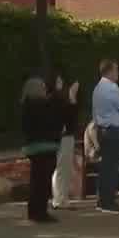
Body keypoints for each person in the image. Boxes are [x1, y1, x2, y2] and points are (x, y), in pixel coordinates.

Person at [91, 59, 119, 213]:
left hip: (103, 129)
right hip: (114, 130)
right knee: (113, 167)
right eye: (116, 70)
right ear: (109, 71)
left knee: (106, 167)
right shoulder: (112, 88)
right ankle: (108, 201)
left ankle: (102, 200)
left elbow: (95, 113)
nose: (118, 73)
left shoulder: (97, 89)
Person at [20, 77, 63, 223]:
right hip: (46, 146)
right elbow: (55, 115)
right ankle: (41, 212)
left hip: (33, 147)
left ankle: (33, 211)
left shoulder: (26, 105)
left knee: (36, 180)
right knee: (43, 182)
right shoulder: (42, 105)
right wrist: (57, 92)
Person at [49, 73, 79, 210]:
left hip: (63, 136)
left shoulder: (55, 98)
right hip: (63, 137)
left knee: (61, 168)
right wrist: (72, 96)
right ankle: (60, 199)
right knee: (62, 168)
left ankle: (60, 198)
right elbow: (68, 116)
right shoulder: (56, 99)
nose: (61, 84)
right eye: (58, 81)